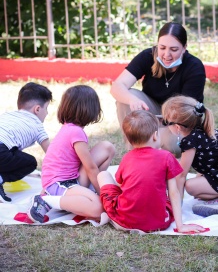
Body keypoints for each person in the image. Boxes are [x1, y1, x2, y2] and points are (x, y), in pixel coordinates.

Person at [97, 110, 205, 233]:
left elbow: (121, 186)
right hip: (159, 222)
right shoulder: (166, 157)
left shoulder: (127, 158)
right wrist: (180, 225)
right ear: (155, 135)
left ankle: (109, 212)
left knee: (103, 174)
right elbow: (174, 192)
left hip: (125, 221)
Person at [110, 22, 206, 156]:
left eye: (174, 49)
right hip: (152, 113)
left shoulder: (194, 67)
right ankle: (135, 151)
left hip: (178, 121)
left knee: (174, 144)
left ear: (184, 48)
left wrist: (154, 123)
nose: (166, 55)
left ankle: (145, 140)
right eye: (162, 48)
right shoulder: (147, 56)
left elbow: (187, 113)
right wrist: (132, 100)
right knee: (126, 97)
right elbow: (117, 86)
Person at [27, 85, 115, 223]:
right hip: (59, 184)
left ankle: (84, 195)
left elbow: (87, 165)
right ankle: (46, 200)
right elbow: (90, 168)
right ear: (89, 109)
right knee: (98, 207)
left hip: (71, 179)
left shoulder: (72, 129)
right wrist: (105, 194)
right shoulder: (76, 132)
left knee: (107, 147)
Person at [0, 82, 52, 203]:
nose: (47, 113)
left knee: (14, 152)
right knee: (30, 162)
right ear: (37, 109)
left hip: (3, 149)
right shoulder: (37, 125)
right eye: (47, 108)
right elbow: (50, 153)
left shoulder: (7, 115)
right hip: (1, 152)